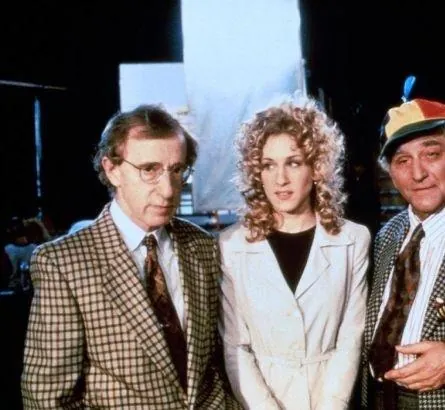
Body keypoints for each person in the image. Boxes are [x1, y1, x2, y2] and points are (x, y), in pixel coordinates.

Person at [21, 104, 241, 409]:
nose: (168, 190)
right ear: (112, 170)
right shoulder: (62, 263)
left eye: (177, 170)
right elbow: (47, 398)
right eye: (149, 170)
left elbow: (220, 360)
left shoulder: (203, 246)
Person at [218, 98, 371, 409]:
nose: (280, 179)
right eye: (268, 165)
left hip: (330, 398)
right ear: (256, 172)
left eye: (294, 162)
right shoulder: (232, 245)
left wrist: (332, 404)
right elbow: (236, 348)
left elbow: (350, 339)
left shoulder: (352, 240)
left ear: (316, 168)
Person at [362, 98, 445, 409]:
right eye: (402, 161)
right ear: (391, 174)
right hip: (379, 398)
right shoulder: (387, 235)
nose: (418, 173)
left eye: (432, 154)